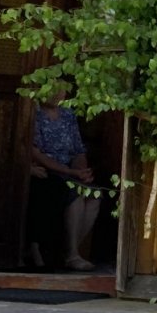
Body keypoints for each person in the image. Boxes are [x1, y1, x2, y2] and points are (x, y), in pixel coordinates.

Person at [27, 95, 102, 271]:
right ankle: (72, 255)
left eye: (61, 89)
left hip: (69, 172)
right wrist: (69, 172)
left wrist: (81, 173)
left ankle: (67, 250)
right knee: (74, 194)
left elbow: (78, 149)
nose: (58, 93)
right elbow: (35, 153)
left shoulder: (68, 114)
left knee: (93, 196)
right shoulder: (34, 113)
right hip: (47, 172)